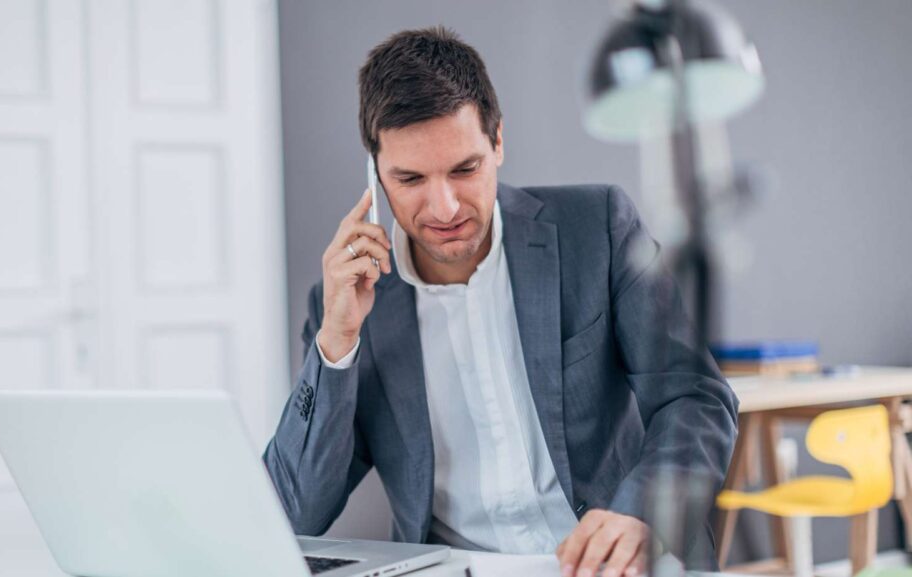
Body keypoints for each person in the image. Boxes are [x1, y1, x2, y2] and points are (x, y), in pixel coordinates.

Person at [264, 26, 738, 577]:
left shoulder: (597, 228)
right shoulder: (346, 303)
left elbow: (696, 397)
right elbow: (293, 512)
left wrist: (640, 515)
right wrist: (337, 342)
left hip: (613, 562)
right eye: (410, 178)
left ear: (497, 143)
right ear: (375, 172)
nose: (443, 208)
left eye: (464, 169)